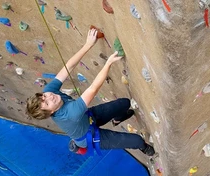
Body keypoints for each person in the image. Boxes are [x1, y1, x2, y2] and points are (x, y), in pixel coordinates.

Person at [26, 29, 155, 156]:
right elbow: (93, 88)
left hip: (88, 117)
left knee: (125, 103)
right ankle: (144, 148)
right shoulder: (71, 113)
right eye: (47, 103)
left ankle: (117, 119)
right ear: (51, 112)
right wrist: (108, 63)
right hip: (90, 137)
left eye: (44, 97)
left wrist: (87, 45)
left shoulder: (49, 91)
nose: (50, 97)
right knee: (136, 140)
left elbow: (68, 67)